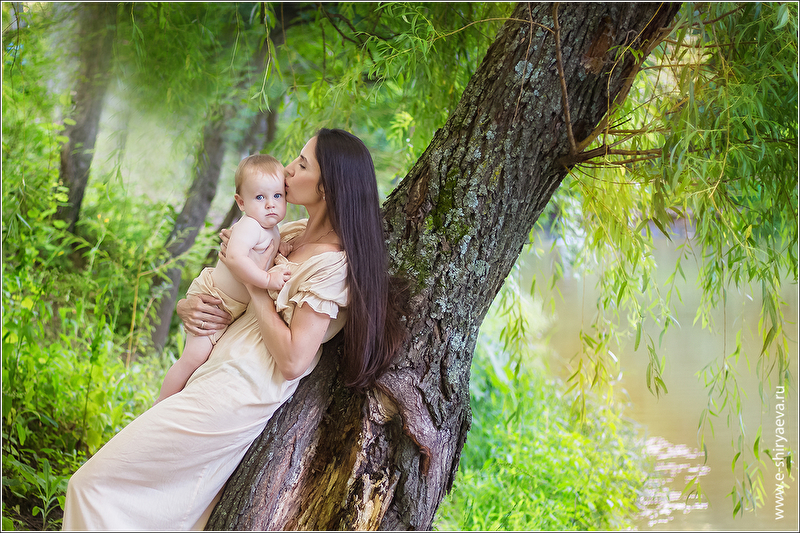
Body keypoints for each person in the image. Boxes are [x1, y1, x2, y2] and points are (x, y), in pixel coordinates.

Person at [62, 128, 407, 530]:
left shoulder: (332, 266)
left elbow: (294, 360)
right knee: (156, 511)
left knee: (92, 485)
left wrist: (255, 286)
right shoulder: (288, 233)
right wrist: (191, 305)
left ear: (327, 187)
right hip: (212, 374)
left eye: (302, 165)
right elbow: (228, 280)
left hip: (235, 396)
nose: (287, 170)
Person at [155, 154, 291, 404]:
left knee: (206, 362)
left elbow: (266, 248)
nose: (270, 204)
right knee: (194, 358)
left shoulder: (272, 229)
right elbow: (236, 258)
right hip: (215, 298)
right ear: (241, 202)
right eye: (260, 197)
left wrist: (281, 248)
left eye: (277, 196)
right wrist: (266, 279)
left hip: (231, 305)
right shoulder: (250, 226)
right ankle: (160, 404)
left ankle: (179, 401)